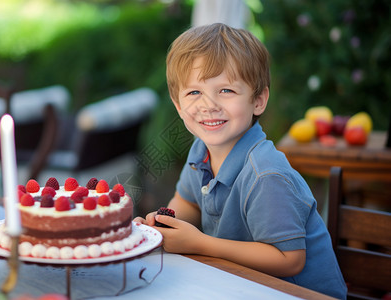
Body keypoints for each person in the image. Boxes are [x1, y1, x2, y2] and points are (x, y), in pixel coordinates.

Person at [134, 23, 347, 299]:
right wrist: (163, 228)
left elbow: (289, 259)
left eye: (226, 91)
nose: (209, 104)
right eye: (194, 92)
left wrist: (200, 243)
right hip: (241, 284)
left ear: (258, 101)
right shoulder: (201, 151)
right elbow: (187, 202)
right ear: (178, 105)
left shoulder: (266, 175)